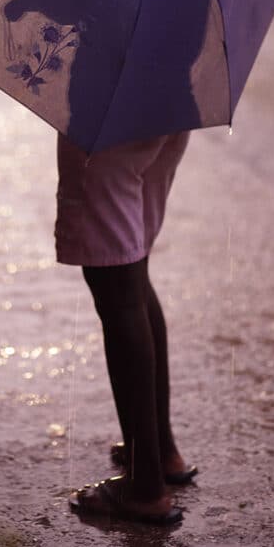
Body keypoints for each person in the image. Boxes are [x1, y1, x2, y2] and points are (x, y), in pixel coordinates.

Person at [57, 131, 196, 525]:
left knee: (117, 287)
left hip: (106, 120)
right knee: (132, 273)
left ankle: (145, 486)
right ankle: (158, 453)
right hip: (168, 106)